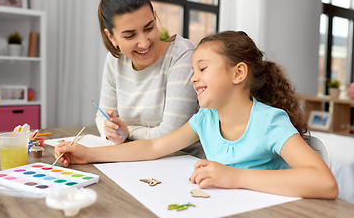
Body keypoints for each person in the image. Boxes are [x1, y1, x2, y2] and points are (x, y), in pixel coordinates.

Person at [56, 31, 338, 199]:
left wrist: (234, 176)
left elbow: (324, 184)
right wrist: (89, 154)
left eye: (202, 68)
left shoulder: (269, 122)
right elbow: (154, 146)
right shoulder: (206, 119)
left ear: (238, 73)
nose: (193, 78)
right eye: (193, 70)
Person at [96, 0, 203, 157]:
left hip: (180, 162)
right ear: (111, 37)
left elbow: (169, 136)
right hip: (134, 159)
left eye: (149, 28)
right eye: (130, 35)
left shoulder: (181, 55)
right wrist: (109, 129)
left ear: (155, 18)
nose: (144, 43)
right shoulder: (114, 61)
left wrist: (125, 132)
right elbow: (102, 117)